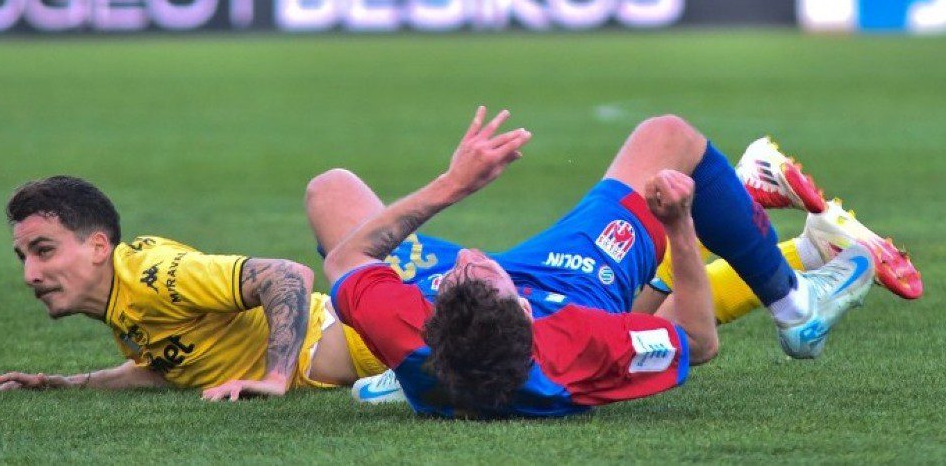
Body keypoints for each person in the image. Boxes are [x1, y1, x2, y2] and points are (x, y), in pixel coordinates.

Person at [320, 107, 877, 417]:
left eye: (455, 276)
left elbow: (345, 257)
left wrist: (453, 184)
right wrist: (680, 225)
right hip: (575, 282)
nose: (471, 253)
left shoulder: (409, 328)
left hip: (457, 350)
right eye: (482, 268)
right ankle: (795, 305)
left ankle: (404, 377)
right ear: (525, 310)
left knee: (331, 191)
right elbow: (698, 341)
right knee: (668, 136)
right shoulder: (576, 345)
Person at [0, 176, 385, 400]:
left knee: (329, 188)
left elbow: (287, 276)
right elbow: (169, 369)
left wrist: (275, 379)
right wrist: (65, 383)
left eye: (44, 251)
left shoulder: (156, 276)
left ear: (98, 247)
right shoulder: (119, 298)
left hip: (367, 338)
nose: (30, 274)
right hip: (371, 336)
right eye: (23, 257)